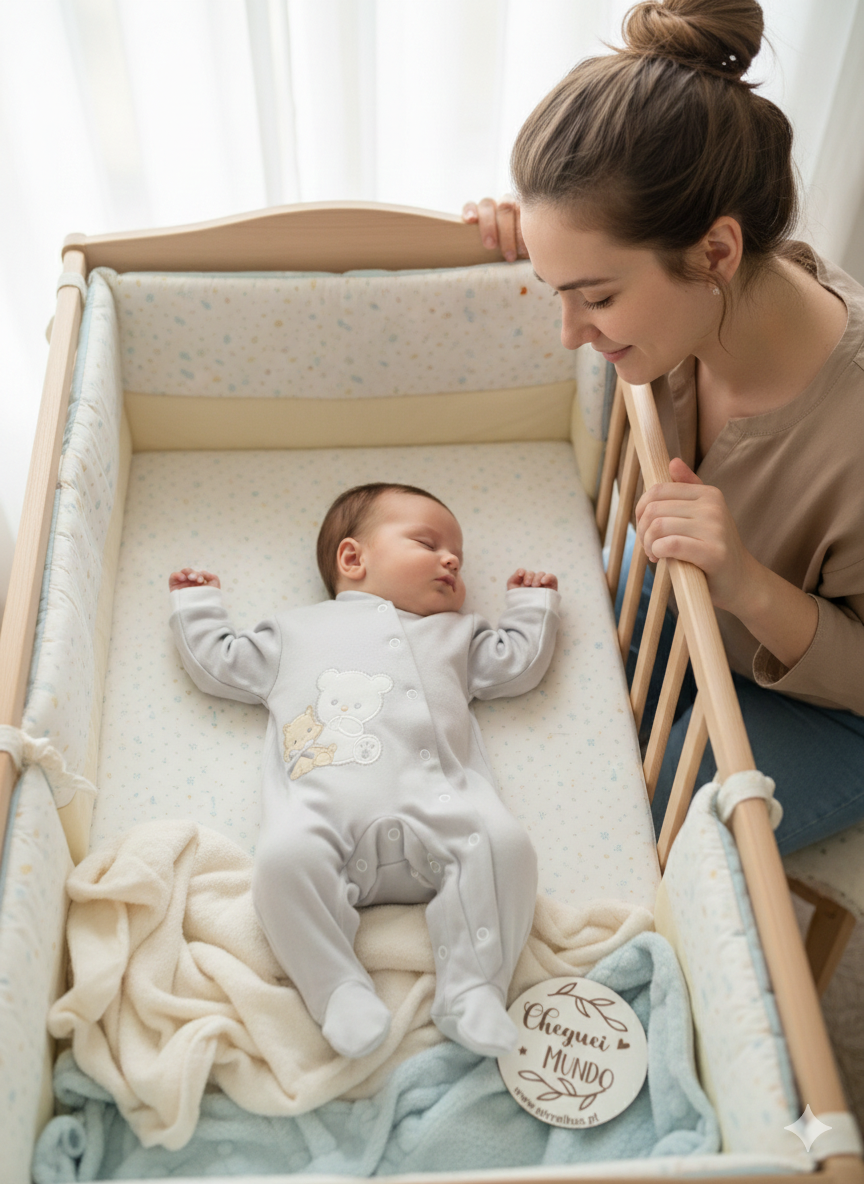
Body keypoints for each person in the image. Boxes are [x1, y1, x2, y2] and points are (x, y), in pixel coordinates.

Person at [463, 0, 864, 856]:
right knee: (514, 736)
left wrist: (749, 580)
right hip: (687, 619)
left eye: (597, 297)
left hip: (828, 703)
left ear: (717, 252)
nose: (570, 334)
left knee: (619, 835)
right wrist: (540, 244)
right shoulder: (696, 305)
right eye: (555, 289)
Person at [168, 483, 560, 1060]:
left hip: (443, 810)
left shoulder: (457, 633)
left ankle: (473, 988)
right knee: (281, 862)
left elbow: (516, 666)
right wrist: (198, 605)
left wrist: (530, 608)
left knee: (506, 846)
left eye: (459, 556)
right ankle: (339, 991)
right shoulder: (293, 632)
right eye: (428, 543)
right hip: (328, 818)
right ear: (353, 559)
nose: (451, 559)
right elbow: (221, 664)